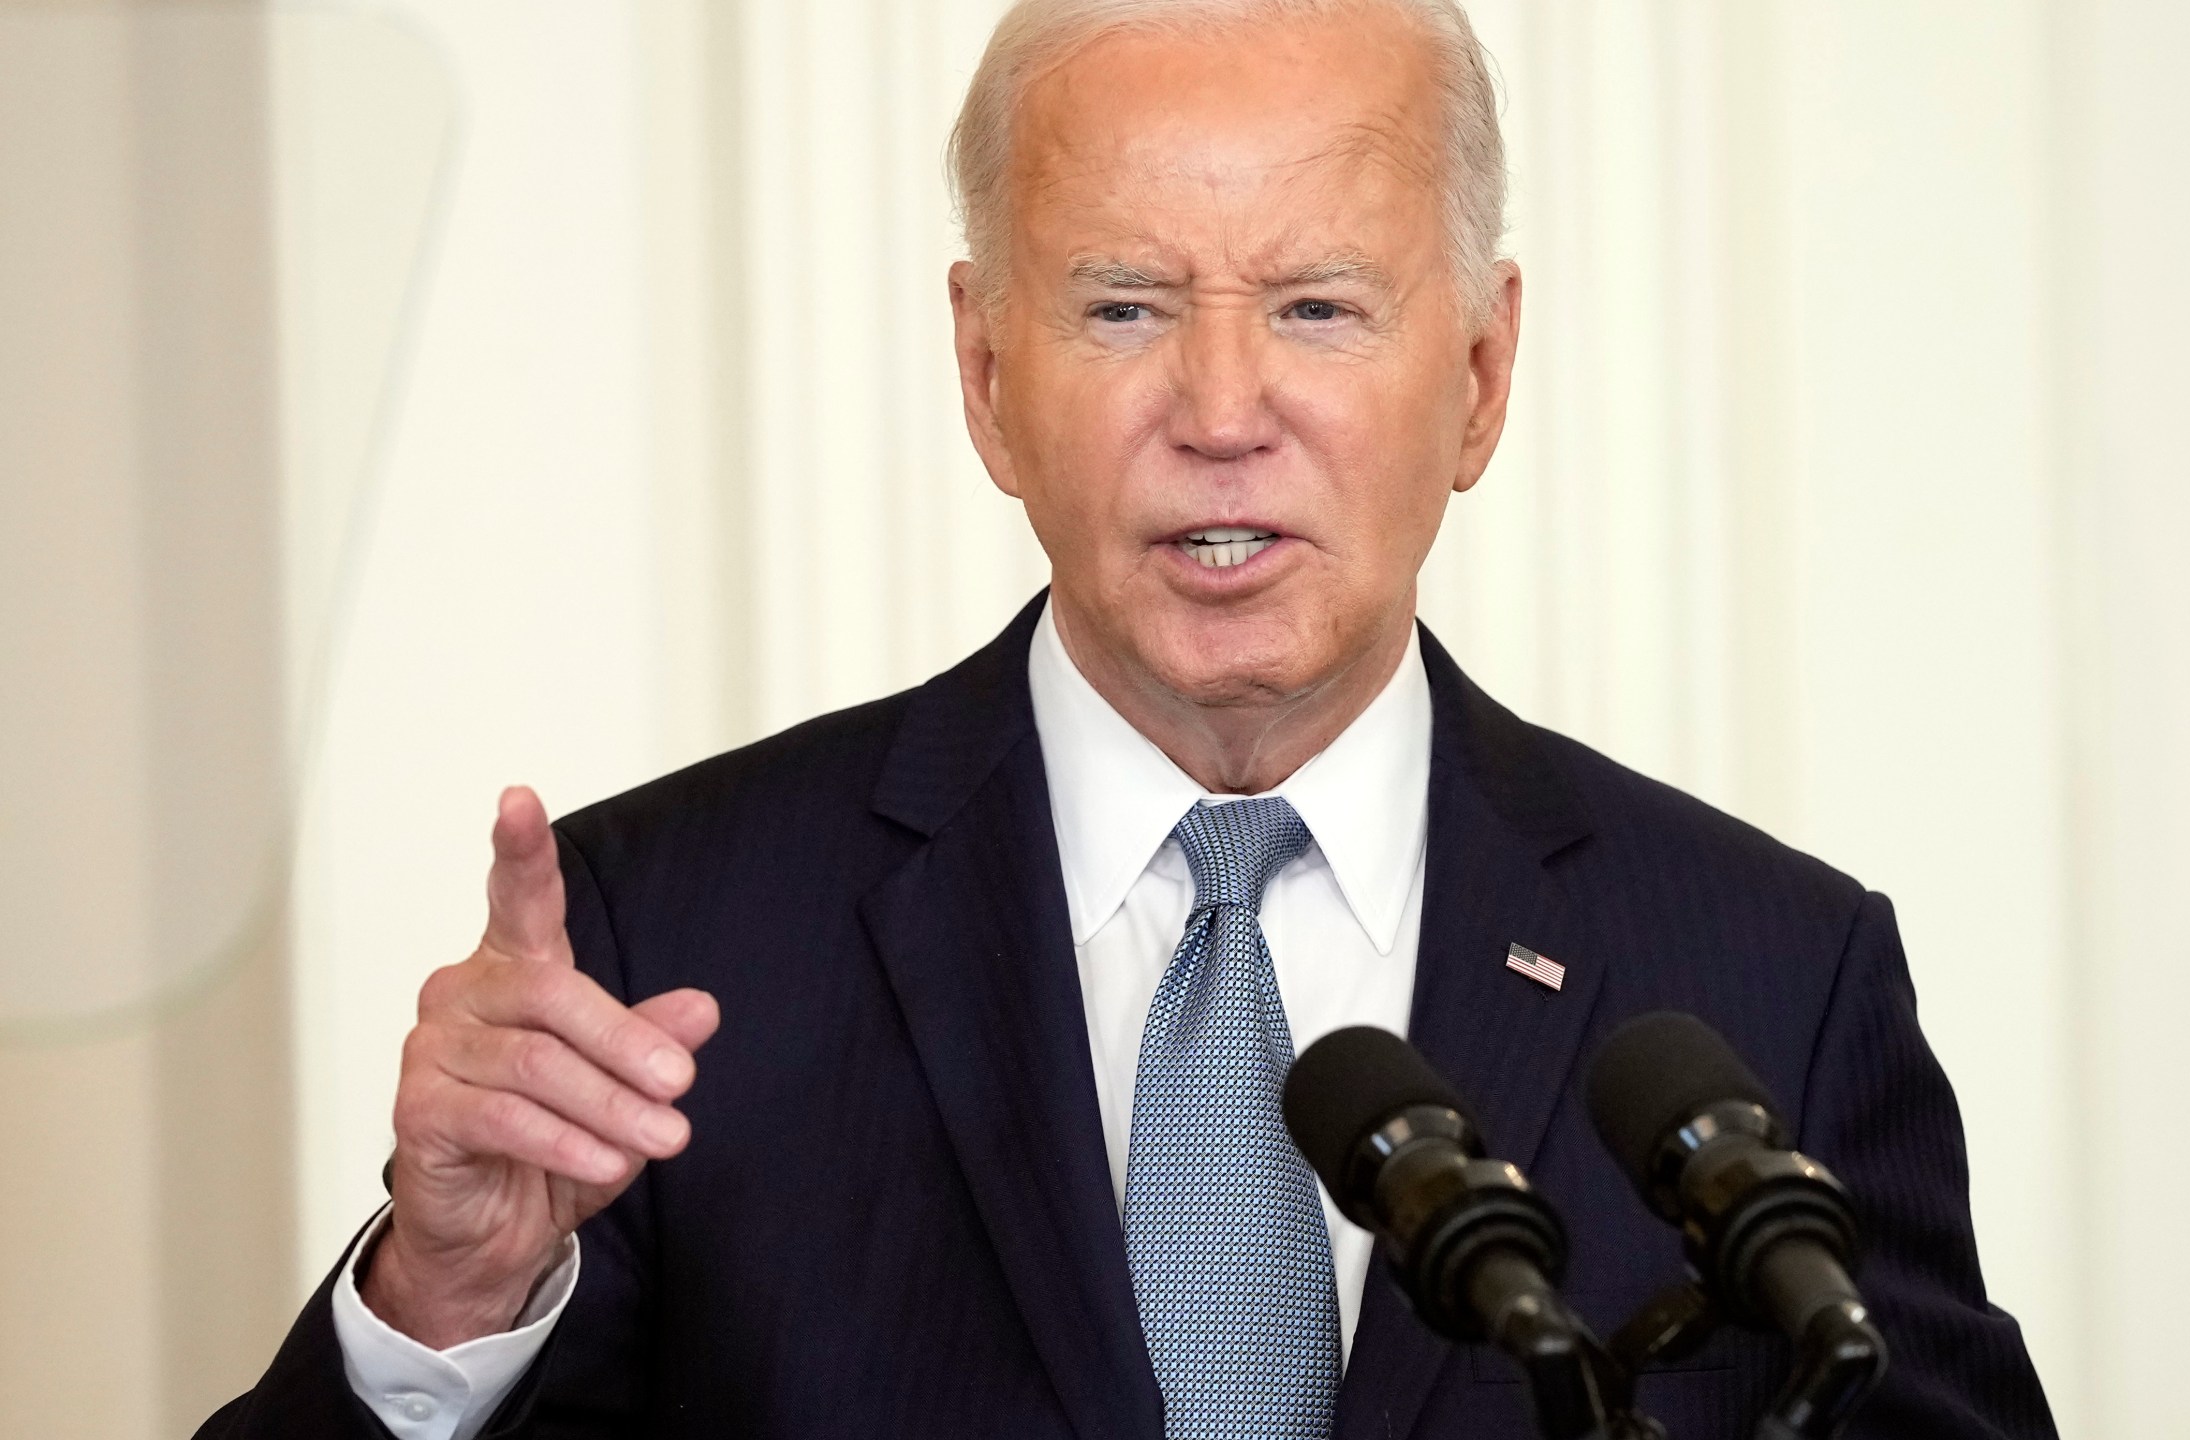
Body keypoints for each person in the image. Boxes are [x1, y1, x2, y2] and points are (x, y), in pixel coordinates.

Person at [200, 0, 2055, 1435]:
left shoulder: (1771, 979)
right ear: (987, 375)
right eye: (1122, 308)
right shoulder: (663, 953)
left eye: (1321, 307)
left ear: (1481, 377)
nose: (1224, 405)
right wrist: (439, 1312)